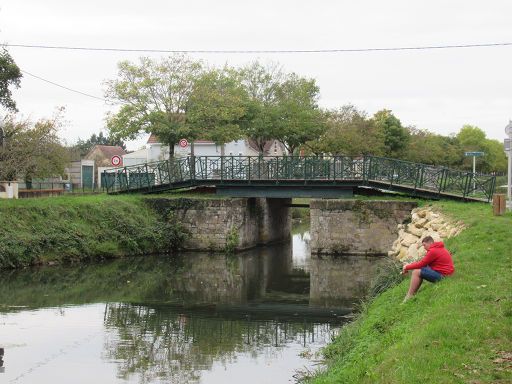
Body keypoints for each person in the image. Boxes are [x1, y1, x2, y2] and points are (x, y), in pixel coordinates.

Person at [401, 236, 454, 302]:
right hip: (448, 274)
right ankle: (413, 292)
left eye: (424, 245)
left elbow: (421, 264)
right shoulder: (439, 247)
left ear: (430, 243)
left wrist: (406, 267)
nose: (424, 247)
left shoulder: (433, 251)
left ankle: (409, 296)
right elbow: (423, 263)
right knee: (421, 269)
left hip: (443, 276)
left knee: (416, 272)